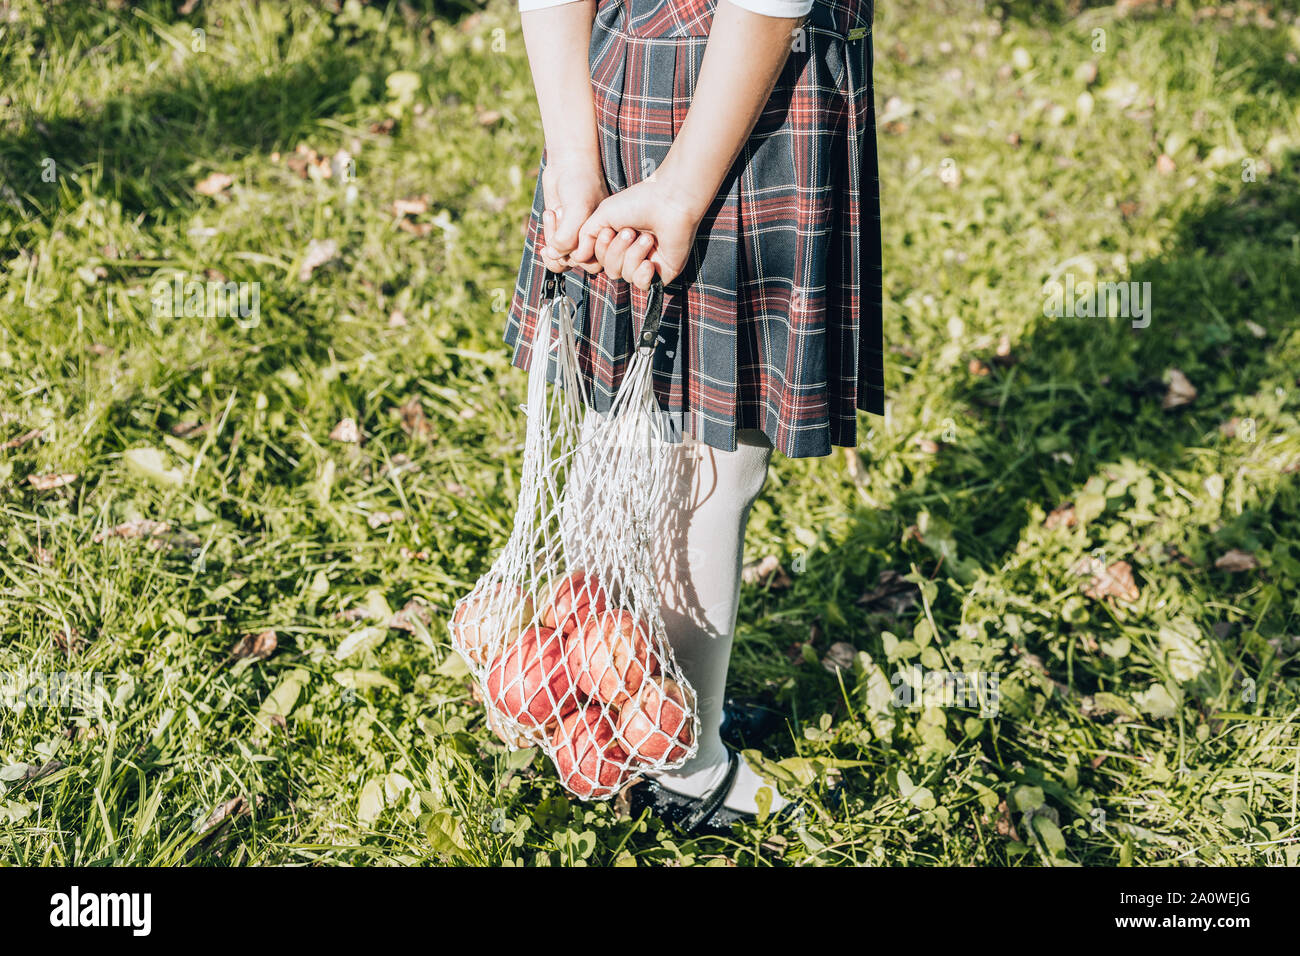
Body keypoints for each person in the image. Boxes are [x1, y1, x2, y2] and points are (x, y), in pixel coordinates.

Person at [505, 0, 882, 833]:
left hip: (618, 81)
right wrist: (680, 186)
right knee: (704, 453)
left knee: (633, 422)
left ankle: (617, 693)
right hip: (732, 103)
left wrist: (576, 155)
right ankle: (679, 760)